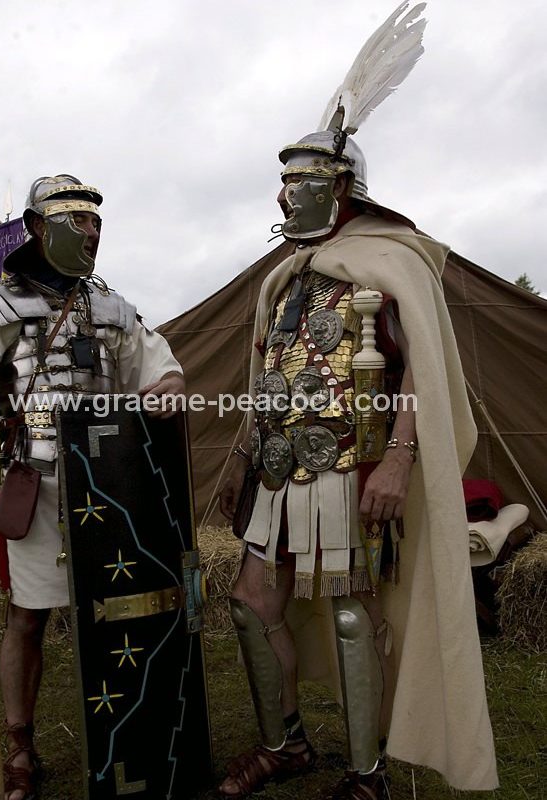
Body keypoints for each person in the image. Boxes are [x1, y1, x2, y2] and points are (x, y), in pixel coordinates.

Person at [217, 5, 498, 799]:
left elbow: (420, 373)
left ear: (338, 187)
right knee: (249, 604)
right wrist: (241, 457)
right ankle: (284, 745)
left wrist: (399, 459)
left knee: (350, 614)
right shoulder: (284, 277)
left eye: (297, 181)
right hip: (277, 468)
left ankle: (365, 772)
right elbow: (268, 376)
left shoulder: (390, 260)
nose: (282, 195)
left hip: (350, 465)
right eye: (281, 181)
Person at [0, 174, 184, 800]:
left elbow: (162, 369)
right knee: (28, 617)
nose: (92, 233)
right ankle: (20, 746)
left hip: (111, 489)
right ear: (39, 228)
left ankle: (130, 733)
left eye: (97, 223)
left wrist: (170, 387)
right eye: (78, 222)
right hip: (35, 484)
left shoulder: (113, 308)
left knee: (121, 610)